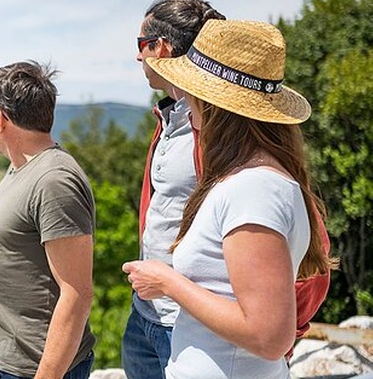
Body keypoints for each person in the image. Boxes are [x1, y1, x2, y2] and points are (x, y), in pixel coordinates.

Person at [122, 20, 335, 379]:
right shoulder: (258, 178)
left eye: (192, 91)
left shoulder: (253, 190)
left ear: (215, 103)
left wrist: (167, 282)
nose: (187, 102)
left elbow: (269, 336)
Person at [0, 61, 97, 379]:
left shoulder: (55, 180)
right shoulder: (21, 166)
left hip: (31, 368)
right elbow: (11, 260)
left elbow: (77, 293)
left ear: (0, 118)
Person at [123, 0, 226, 379]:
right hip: (147, 313)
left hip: (190, 322)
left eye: (141, 45)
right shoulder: (170, 118)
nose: (137, 57)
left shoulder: (218, 129)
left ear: (161, 48)